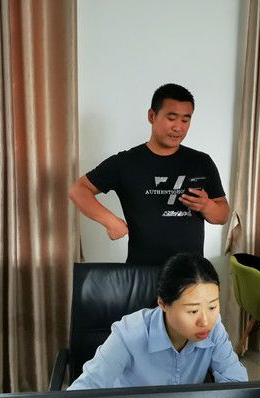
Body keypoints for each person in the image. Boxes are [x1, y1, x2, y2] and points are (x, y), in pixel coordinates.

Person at [68, 83, 230, 266]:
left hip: (190, 272)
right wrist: (109, 221)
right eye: (171, 118)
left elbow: (222, 215)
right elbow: (78, 190)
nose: (178, 127)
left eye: (185, 120)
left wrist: (206, 206)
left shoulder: (201, 161)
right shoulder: (125, 162)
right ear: (152, 116)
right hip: (140, 272)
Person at [67, 252, 248, 389]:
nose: (205, 321)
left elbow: (237, 384)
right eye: (193, 311)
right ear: (163, 303)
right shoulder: (129, 333)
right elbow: (85, 389)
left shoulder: (213, 328)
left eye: (212, 307)